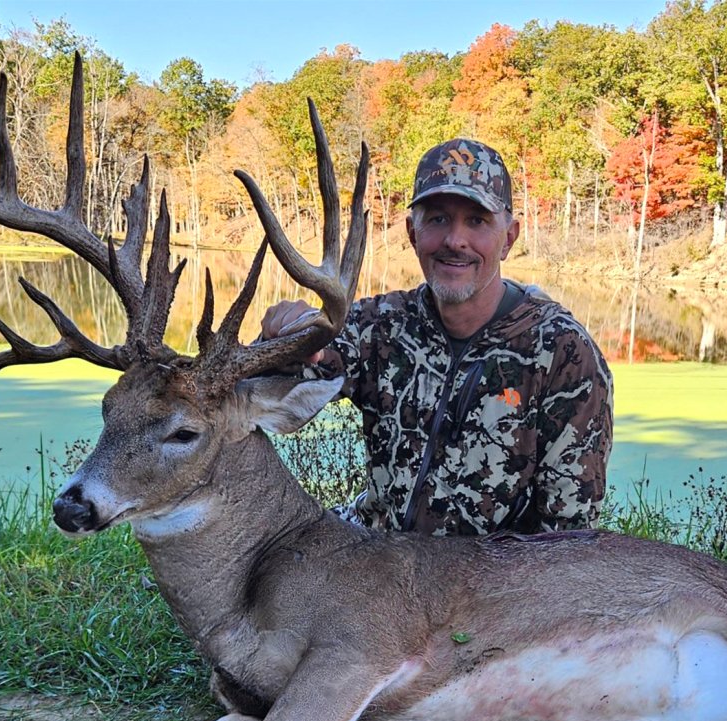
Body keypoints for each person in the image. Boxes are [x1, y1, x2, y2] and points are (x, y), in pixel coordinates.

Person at [261, 138, 613, 537]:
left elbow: (568, 533)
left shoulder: (563, 354)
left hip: (489, 581)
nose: (455, 241)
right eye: (438, 219)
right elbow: (284, 383)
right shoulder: (381, 326)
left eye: (477, 221)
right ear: (413, 233)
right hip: (376, 551)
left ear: (509, 238)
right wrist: (284, 338)